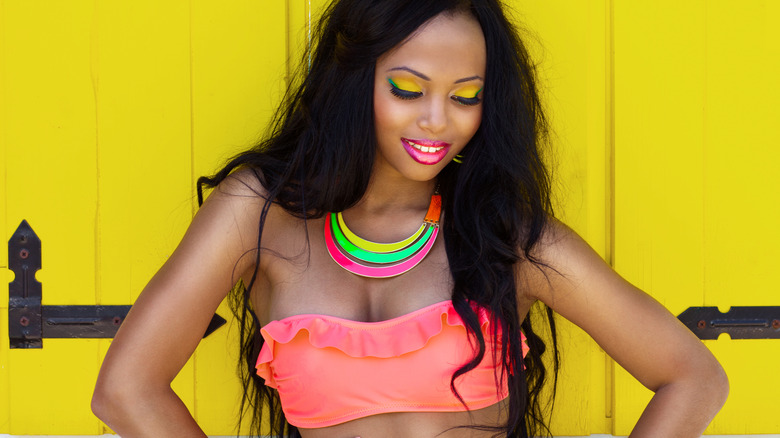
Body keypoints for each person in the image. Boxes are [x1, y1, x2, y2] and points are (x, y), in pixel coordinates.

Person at [91, 0, 729, 437]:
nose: (436, 120)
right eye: (407, 88)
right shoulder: (258, 214)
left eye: (465, 96)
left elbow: (692, 376)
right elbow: (125, 389)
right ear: (354, 80)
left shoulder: (507, 238)